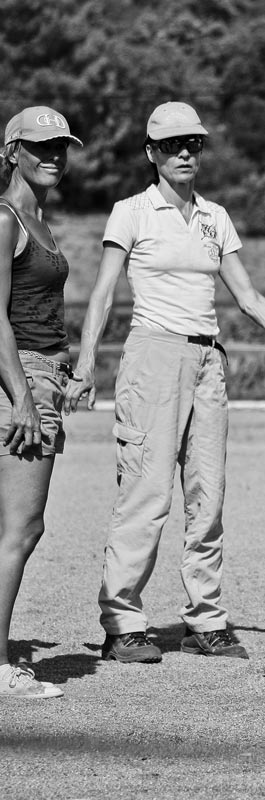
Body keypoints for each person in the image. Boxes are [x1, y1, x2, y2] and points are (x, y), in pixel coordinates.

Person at [65, 101, 265, 663]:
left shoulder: (216, 218)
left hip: (210, 361)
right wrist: (87, 362)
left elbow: (251, 299)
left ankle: (205, 619)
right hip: (152, 359)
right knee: (147, 491)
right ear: (151, 153)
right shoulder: (130, 212)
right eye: (172, 145)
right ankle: (123, 622)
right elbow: (103, 292)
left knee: (207, 496)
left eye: (194, 144)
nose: (185, 153)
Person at [0, 107, 82, 698]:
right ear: (12, 153)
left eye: (61, 147)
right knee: (21, 529)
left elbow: (38, 309)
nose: (53, 155)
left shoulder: (40, 220)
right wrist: (24, 398)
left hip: (44, 373)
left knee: (16, 528)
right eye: (40, 147)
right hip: (19, 381)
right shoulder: (6, 219)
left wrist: (67, 368)